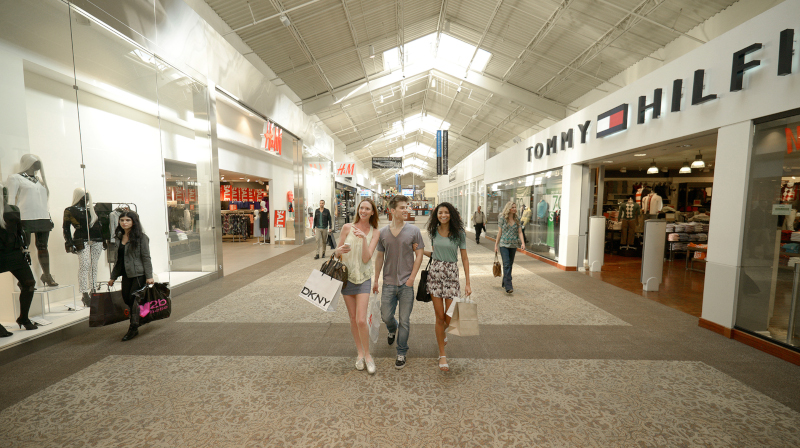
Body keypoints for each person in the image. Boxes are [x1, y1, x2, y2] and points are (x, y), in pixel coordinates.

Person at [373, 195, 425, 370]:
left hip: (406, 284)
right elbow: (380, 257)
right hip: (388, 283)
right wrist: (376, 279)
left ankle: (401, 351)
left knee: (405, 320)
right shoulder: (383, 233)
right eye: (402, 208)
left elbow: (419, 255)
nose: (406, 210)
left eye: (407, 207)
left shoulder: (413, 231)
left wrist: (412, 279)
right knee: (386, 316)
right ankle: (391, 328)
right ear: (392, 210)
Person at [421, 202, 471, 372]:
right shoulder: (433, 232)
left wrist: (468, 283)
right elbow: (435, 253)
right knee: (439, 316)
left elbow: (464, 258)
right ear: (436, 215)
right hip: (435, 274)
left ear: (451, 215)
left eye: (446, 212)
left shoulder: (459, 234)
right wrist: (419, 251)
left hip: (451, 274)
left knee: (449, 318)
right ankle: (442, 354)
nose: (443, 215)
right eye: (440, 212)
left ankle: (442, 335)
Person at [334, 198, 380, 375]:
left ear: (372, 212)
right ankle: (359, 353)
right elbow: (337, 253)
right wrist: (338, 252)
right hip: (347, 277)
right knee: (353, 318)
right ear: (358, 210)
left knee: (361, 319)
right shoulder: (347, 228)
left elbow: (367, 258)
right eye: (362, 208)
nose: (364, 211)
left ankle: (368, 356)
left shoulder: (375, 232)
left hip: (364, 278)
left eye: (367, 209)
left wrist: (363, 240)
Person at [107, 210, 154, 342]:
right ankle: (138, 318)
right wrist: (113, 277)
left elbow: (146, 257)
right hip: (126, 274)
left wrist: (149, 276)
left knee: (134, 300)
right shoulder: (119, 237)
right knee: (127, 299)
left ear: (134, 222)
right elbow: (119, 260)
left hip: (139, 274)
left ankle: (133, 327)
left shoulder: (141, 237)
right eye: (122, 220)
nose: (124, 222)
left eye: (128, 220)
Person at [0, 182, 39, 335]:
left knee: (29, 282)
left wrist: (25, 248)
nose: (5, 194)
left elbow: (20, 231)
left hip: (15, 251)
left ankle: (23, 317)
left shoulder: (13, 209)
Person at [494, 201, 525, 294]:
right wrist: (496, 244)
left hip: (513, 245)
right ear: (509, 208)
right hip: (504, 244)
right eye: (513, 207)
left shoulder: (518, 219)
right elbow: (499, 232)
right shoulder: (502, 219)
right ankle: (508, 286)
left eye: (515, 207)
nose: (515, 209)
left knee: (509, 265)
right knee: (506, 264)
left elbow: (520, 232)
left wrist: (523, 243)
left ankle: (505, 281)